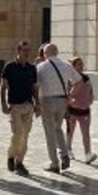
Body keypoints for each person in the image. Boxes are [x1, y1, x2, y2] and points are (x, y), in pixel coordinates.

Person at [36, 42, 77, 174]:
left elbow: (35, 85)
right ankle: (64, 154)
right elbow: (78, 79)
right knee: (57, 128)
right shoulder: (66, 65)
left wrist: (35, 102)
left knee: (49, 133)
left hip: (47, 100)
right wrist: (69, 94)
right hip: (62, 100)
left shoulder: (41, 67)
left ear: (45, 53)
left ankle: (54, 163)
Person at [0, 40, 39, 177]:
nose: (27, 53)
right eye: (24, 50)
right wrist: (4, 103)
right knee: (17, 134)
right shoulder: (9, 67)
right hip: (15, 106)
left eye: (28, 50)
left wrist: (37, 104)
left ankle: (19, 162)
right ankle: (11, 156)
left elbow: (34, 87)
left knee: (26, 135)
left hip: (28, 105)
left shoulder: (31, 68)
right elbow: (3, 86)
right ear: (18, 51)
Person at [65, 56, 97, 165]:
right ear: (73, 67)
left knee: (86, 133)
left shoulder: (86, 78)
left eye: (81, 64)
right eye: (78, 64)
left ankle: (88, 153)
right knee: (70, 132)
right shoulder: (70, 80)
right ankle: (68, 149)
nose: (81, 66)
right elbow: (67, 94)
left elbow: (90, 90)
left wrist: (90, 99)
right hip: (72, 110)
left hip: (85, 110)